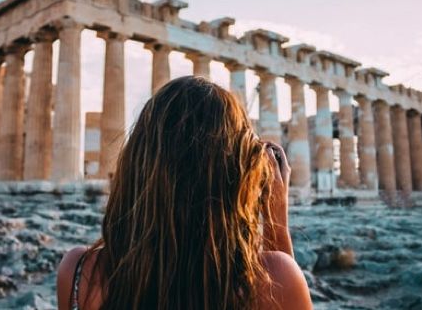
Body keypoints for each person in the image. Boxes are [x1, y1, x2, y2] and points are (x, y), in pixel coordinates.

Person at [56, 76, 312, 310]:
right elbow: (279, 291)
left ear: (137, 160)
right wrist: (276, 220)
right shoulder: (276, 276)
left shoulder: (78, 271)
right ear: (237, 172)